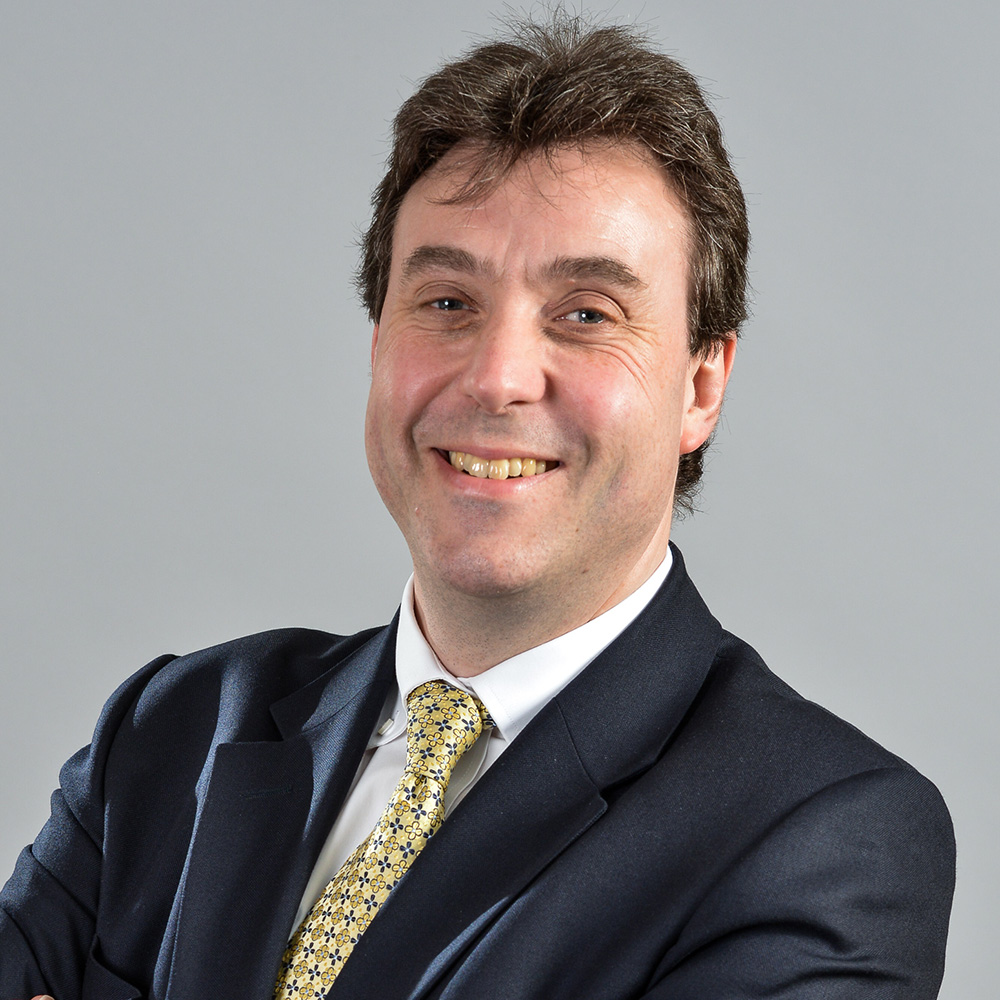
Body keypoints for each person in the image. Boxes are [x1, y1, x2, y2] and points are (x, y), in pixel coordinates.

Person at [0, 14, 954, 1000]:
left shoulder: (824, 834)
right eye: (448, 302)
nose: (497, 377)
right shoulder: (174, 728)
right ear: (378, 343)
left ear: (701, 386)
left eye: (586, 314)